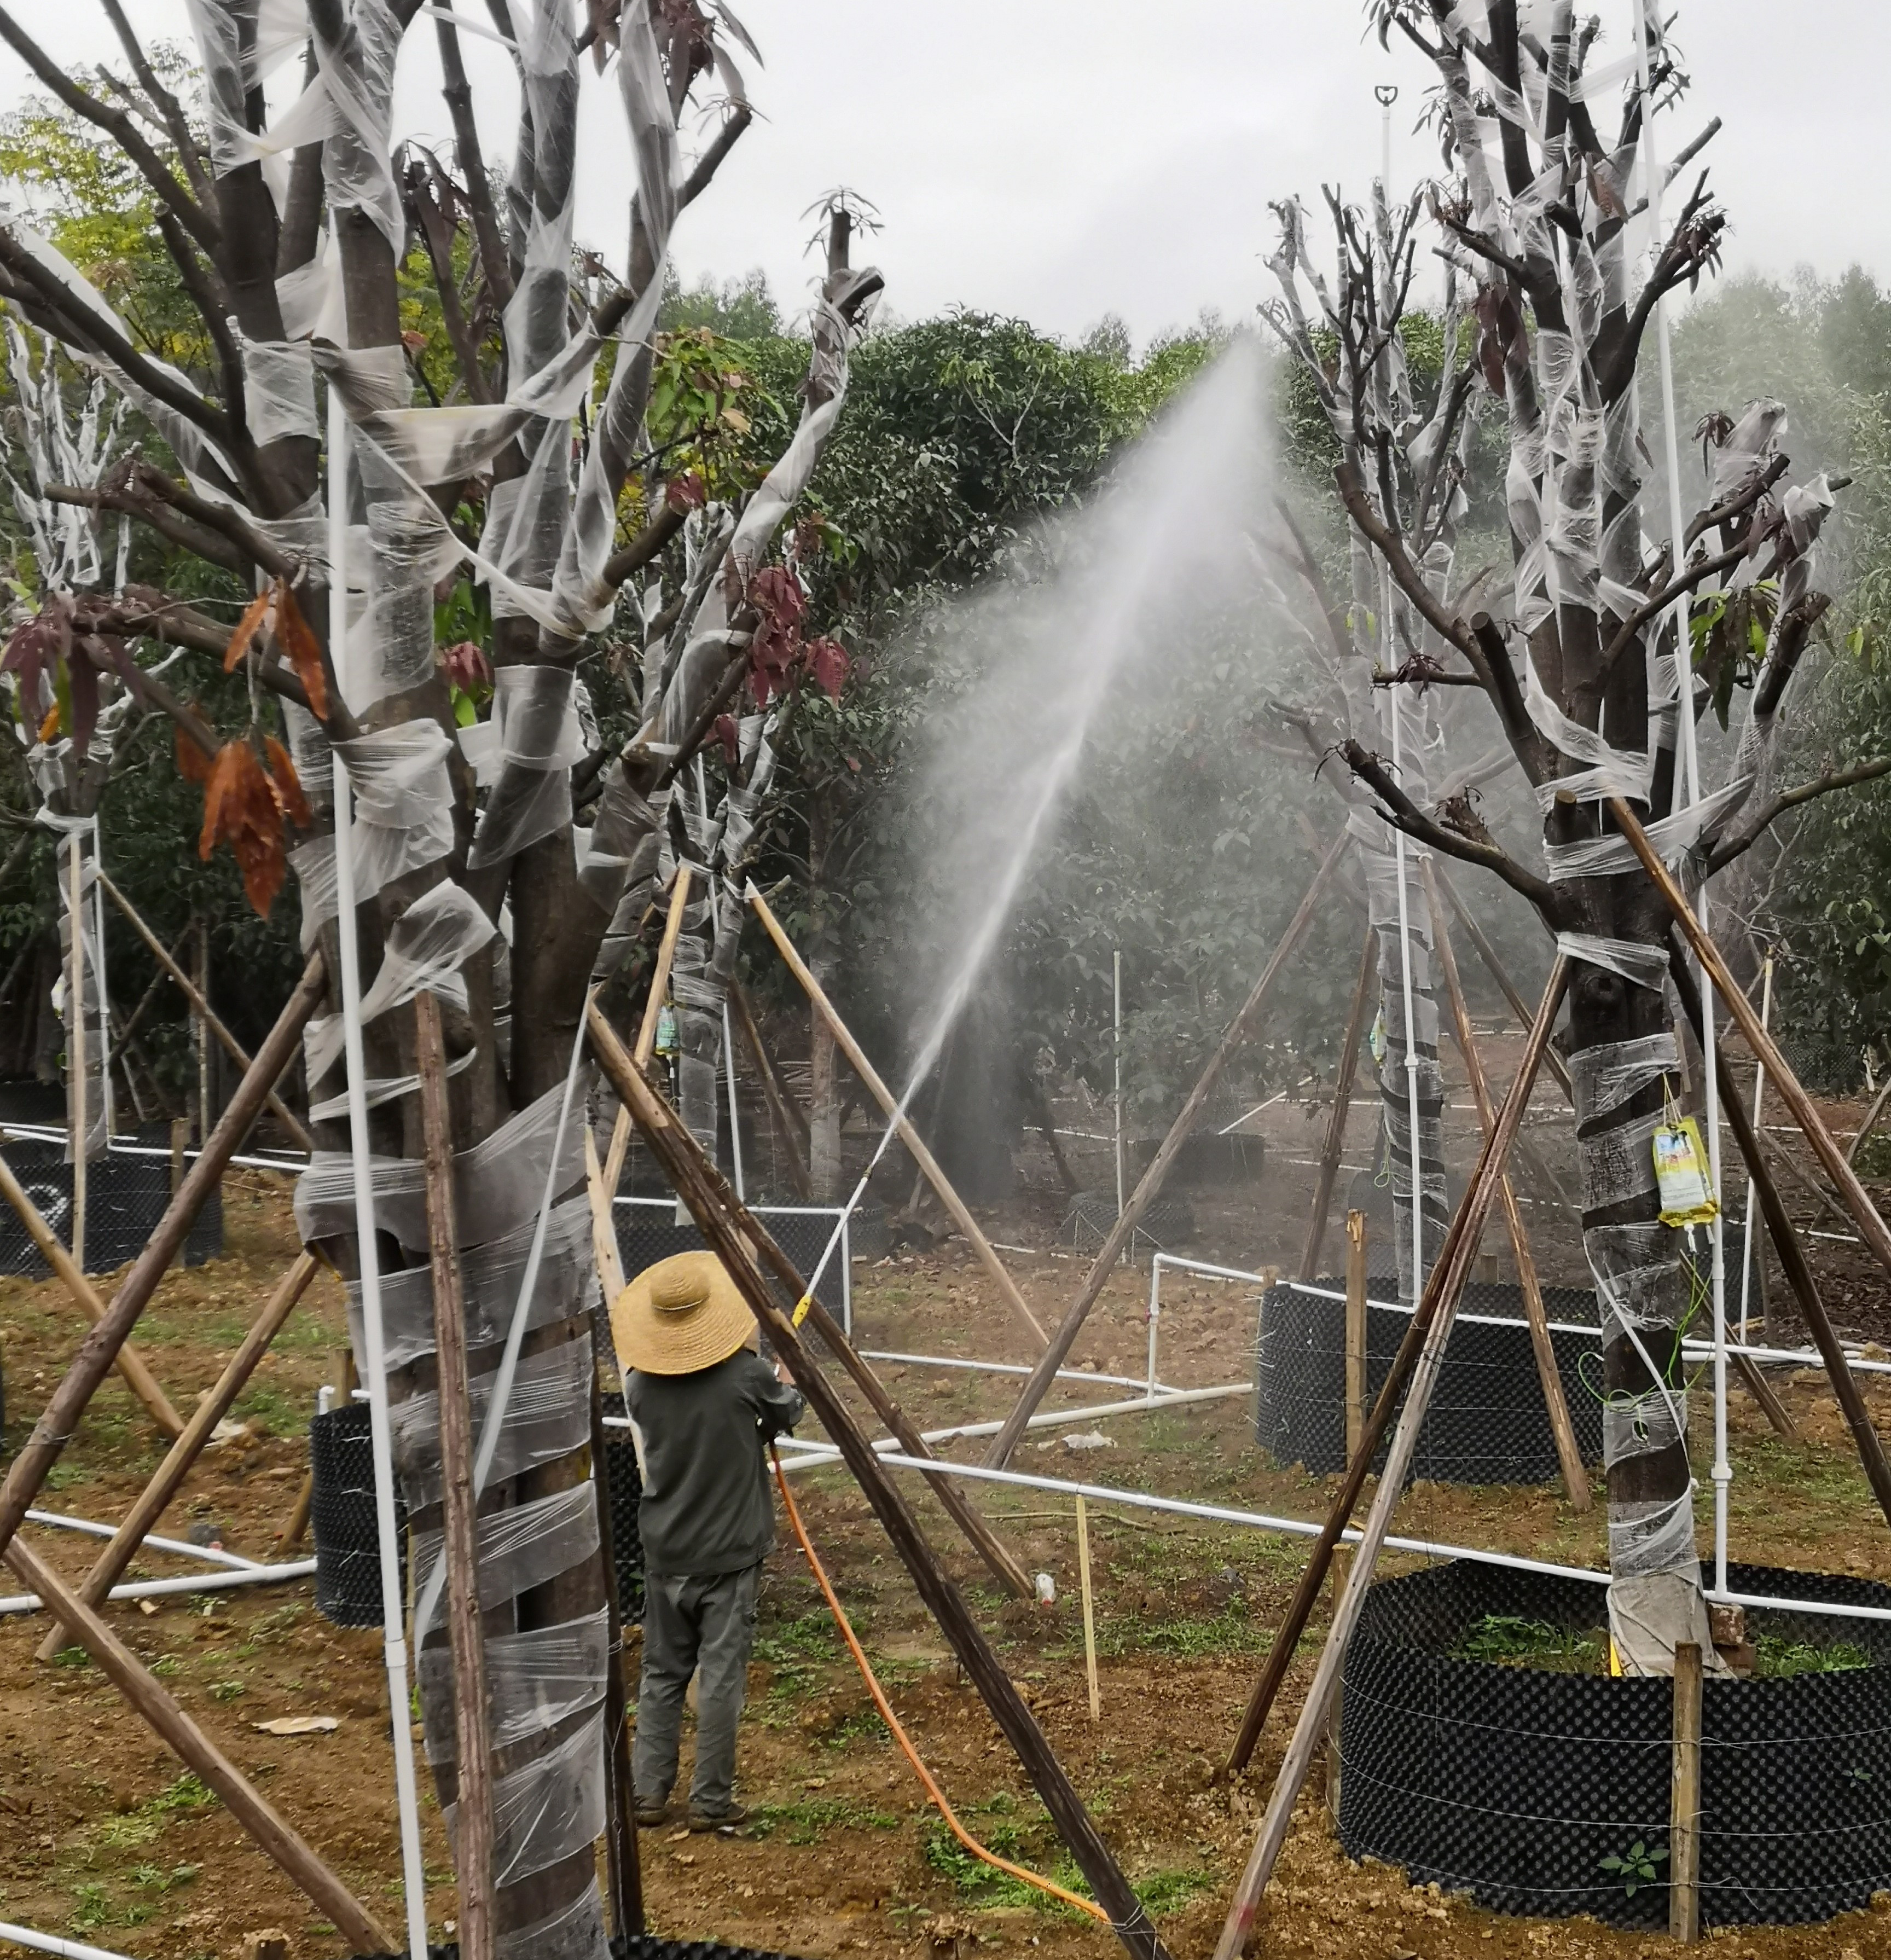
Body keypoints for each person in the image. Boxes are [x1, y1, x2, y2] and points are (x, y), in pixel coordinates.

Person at [612, 1248, 804, 1831]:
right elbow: (786, 1412)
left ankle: (648, 1795)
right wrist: (786, 1381)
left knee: (662, 1673)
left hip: (666, 1548)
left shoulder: (639, 1386)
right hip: (730, 1553)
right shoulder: (746, 1376)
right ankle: (711, 1802)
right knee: (720, 1677)